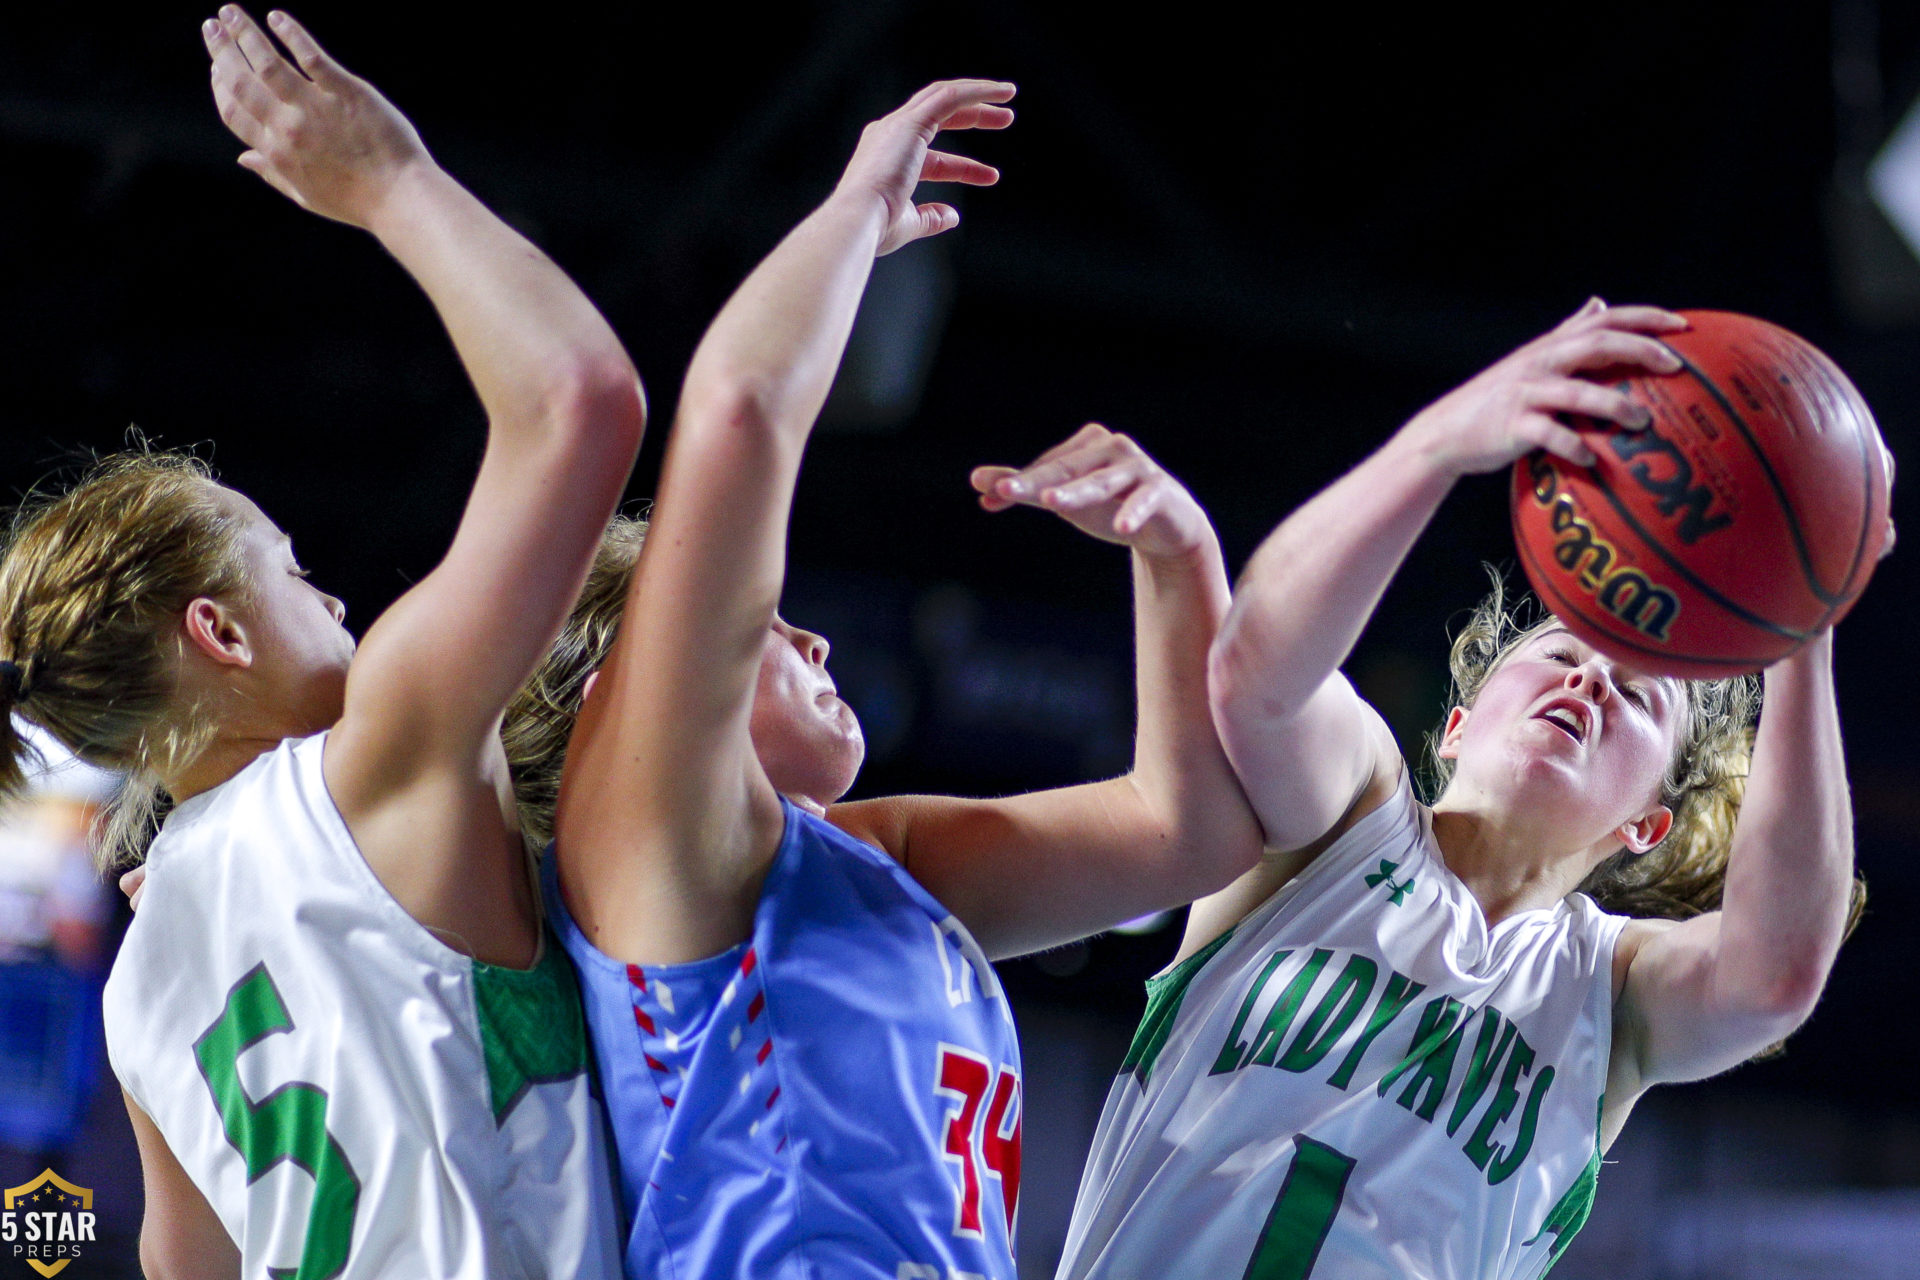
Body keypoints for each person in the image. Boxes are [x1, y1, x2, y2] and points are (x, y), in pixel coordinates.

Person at [548, 81, 1264, 1279]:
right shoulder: (651, 836)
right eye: (769, 627)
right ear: (617, 687)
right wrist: (851, 212)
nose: (816, 641)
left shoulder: (878, 860)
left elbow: (1189, 832)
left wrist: (1175, 554)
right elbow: (739, 411)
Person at [1, 9, 645, 1277]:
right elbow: (583, 400)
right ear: (219, 630)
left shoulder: (139, 993)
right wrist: (392, 181)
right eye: (295, 572)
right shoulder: (377, 753)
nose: (339, 601)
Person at [1058, 300, 1882, 1280]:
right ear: (1457, 721)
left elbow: (1775, 973)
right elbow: (1257, 670)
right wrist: (1443, 446)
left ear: (1643, 823)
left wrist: (1801, 623)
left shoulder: (1611, 994)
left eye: (1636, 694)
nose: (1588, 681)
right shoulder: (1340, 823)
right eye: (1562, 653)